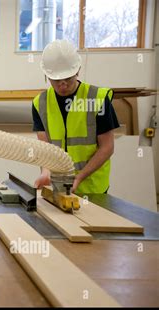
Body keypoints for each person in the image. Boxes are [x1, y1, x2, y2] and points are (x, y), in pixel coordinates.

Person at [32, 39, 120, 194]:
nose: (63, 84)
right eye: (57, 80)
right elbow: (44, 148)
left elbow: (107, 147)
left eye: (68, 78)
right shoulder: (40, 103)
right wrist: (46, 172)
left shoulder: (97, 98)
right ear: (46, 75)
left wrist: (79, 178)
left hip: (93, 189)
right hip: (59, 187)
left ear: (78, 70)